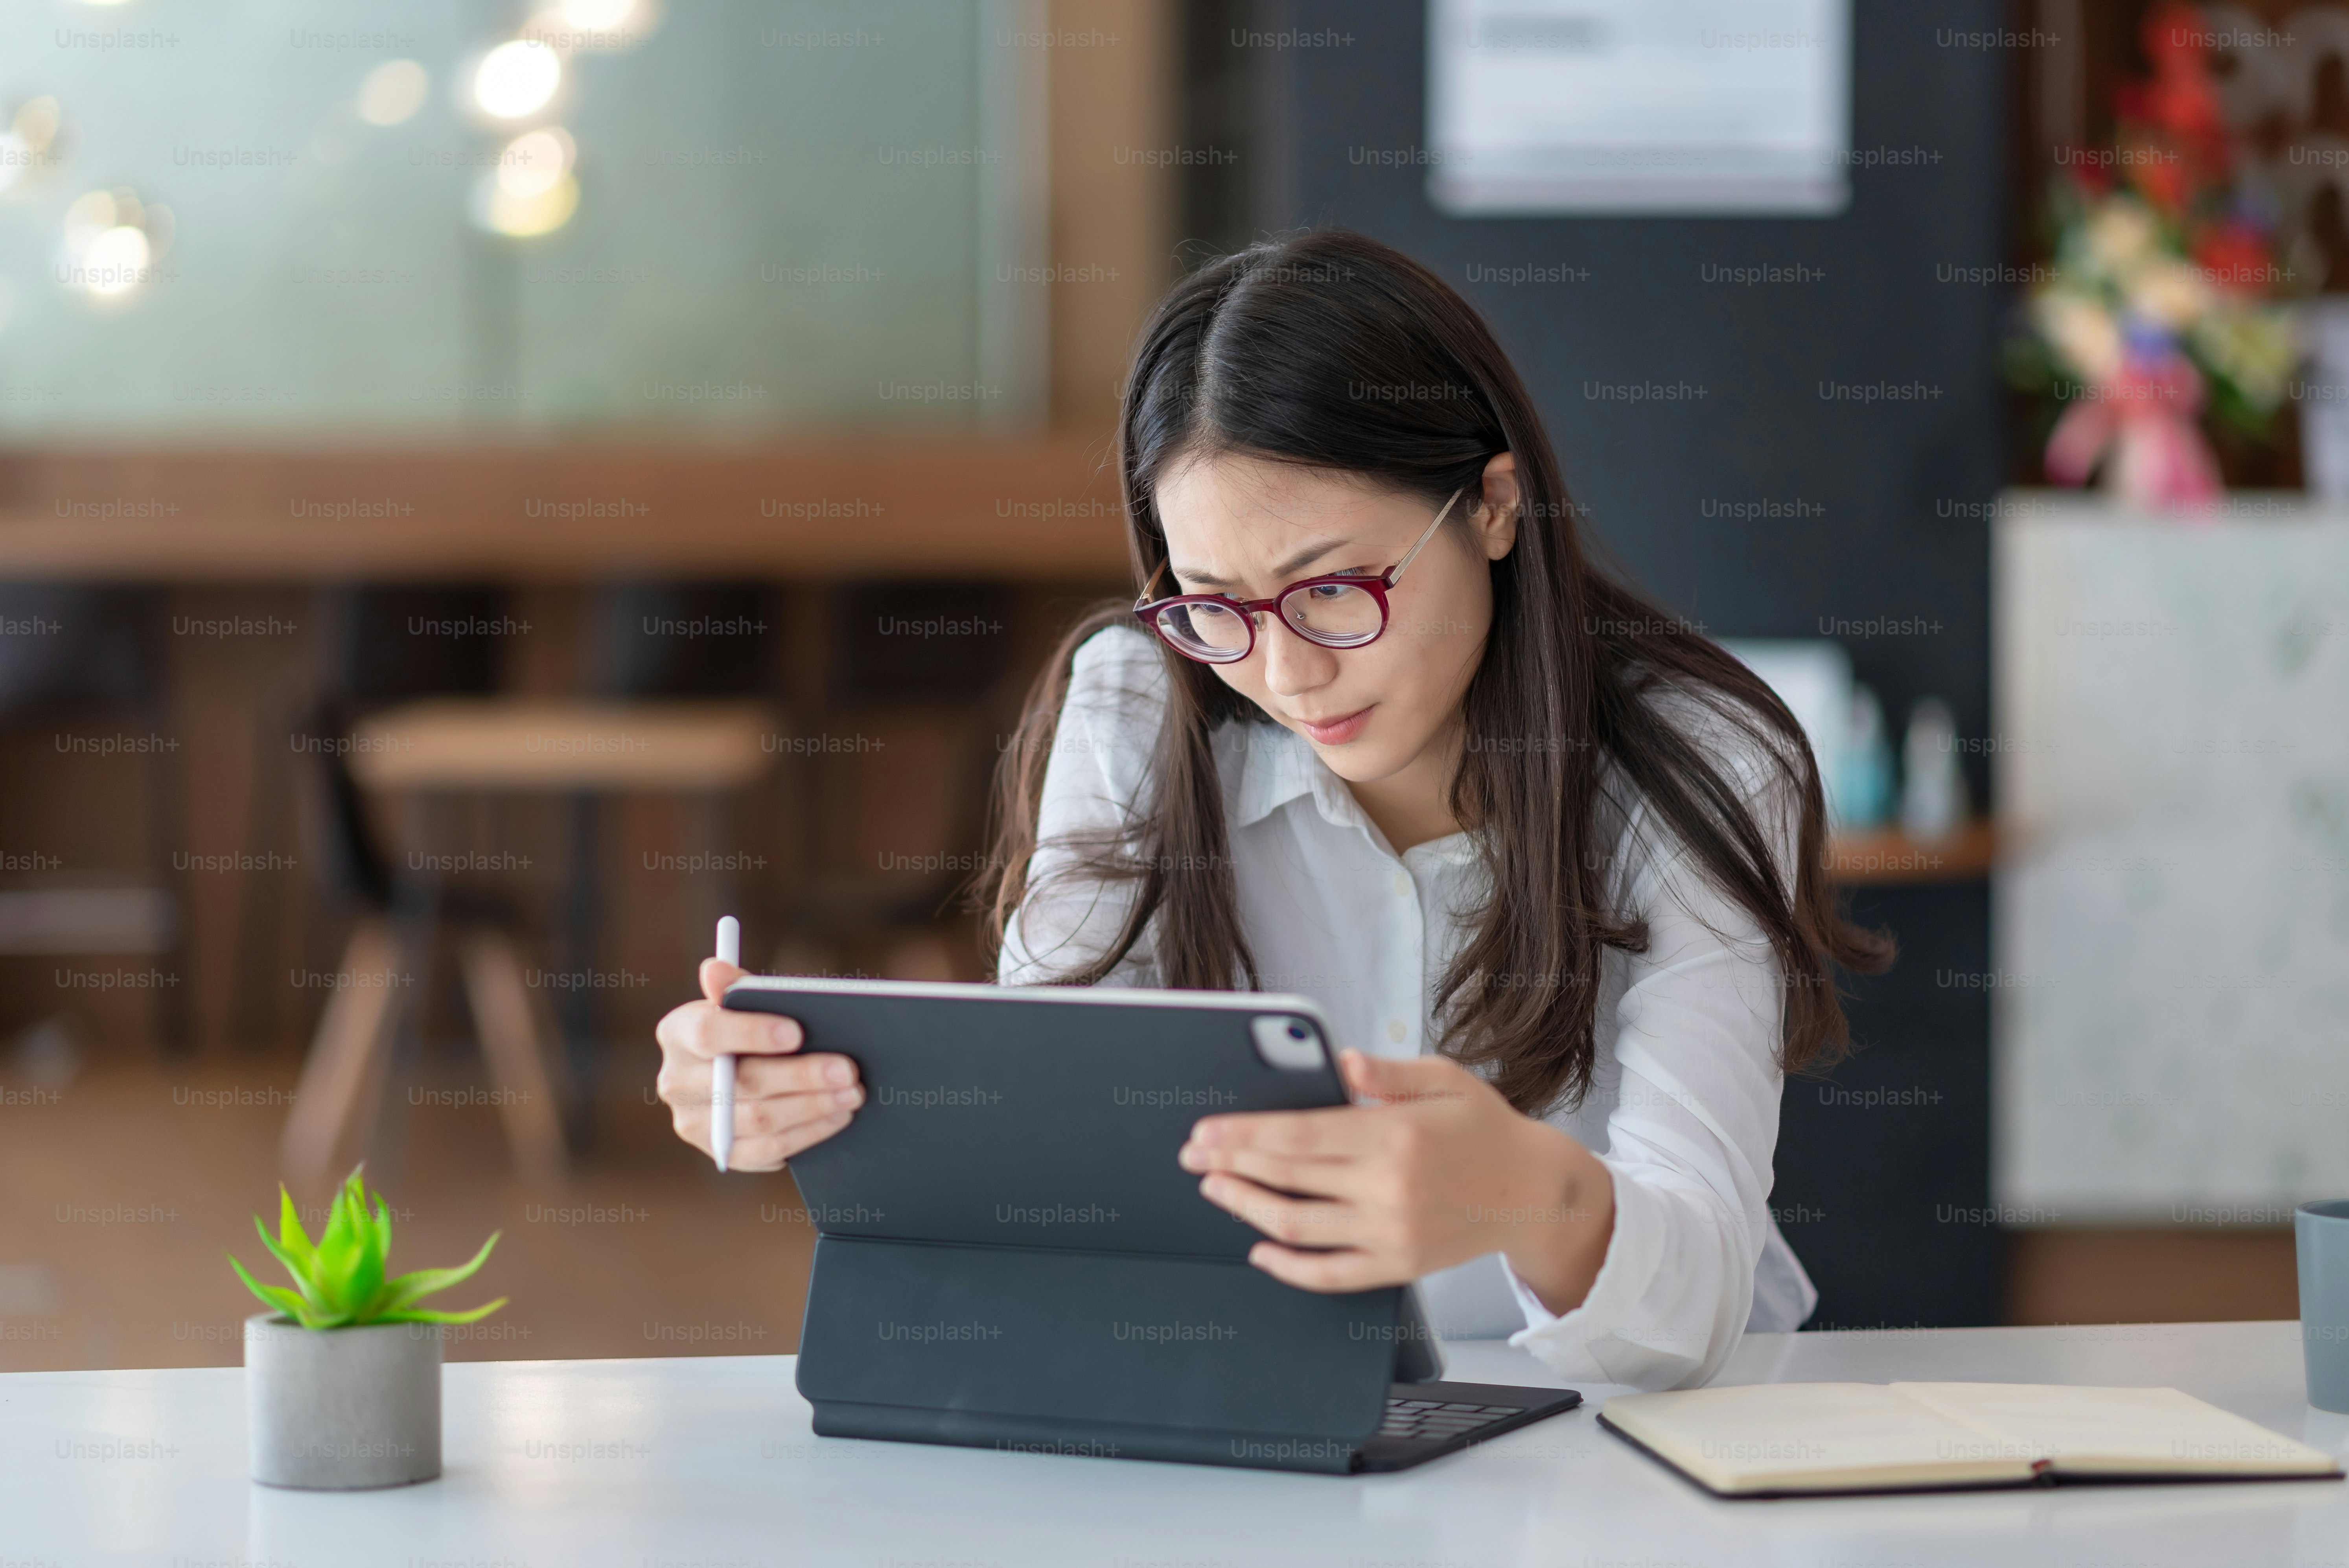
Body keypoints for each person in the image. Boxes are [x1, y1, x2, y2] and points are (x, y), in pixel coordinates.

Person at [654, 228, 1892, 1391]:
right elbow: (1057, 1124)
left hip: (1631, 1445)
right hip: (1250, 1410)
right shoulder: (1145, 699)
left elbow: (1699, 1291)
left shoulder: (1704, 759)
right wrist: (825, 1103)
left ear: (1498, 505)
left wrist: (1524, 1191)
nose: (1287, 674)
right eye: (1215, 604)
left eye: (1336, 588)